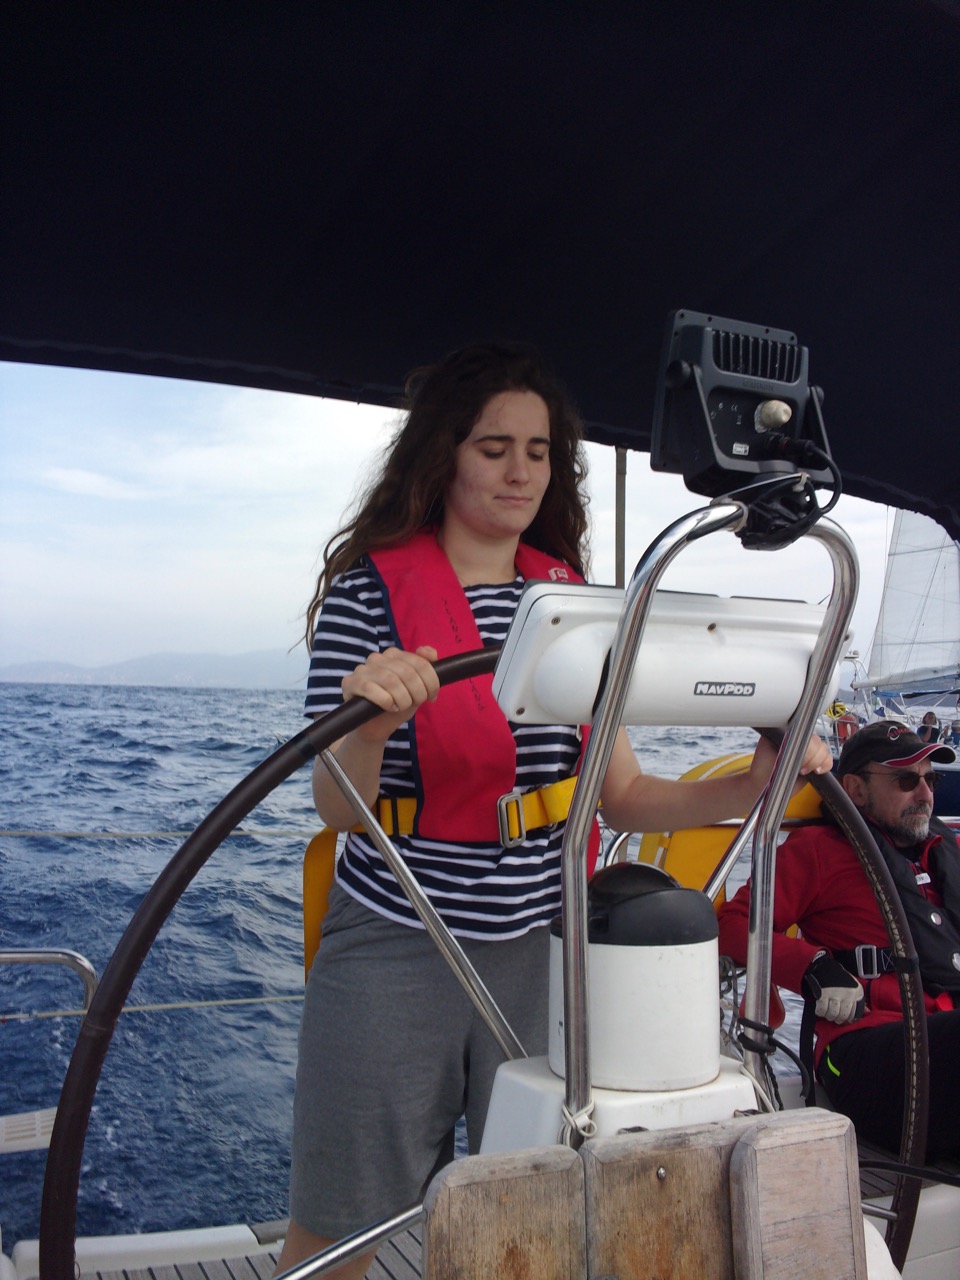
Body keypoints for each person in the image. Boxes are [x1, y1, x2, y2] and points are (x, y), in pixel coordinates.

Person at [275, 341, 831, 1278]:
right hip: (396, 946)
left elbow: (626, 795)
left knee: (530, 1222)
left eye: (538, 451)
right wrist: (371, 722)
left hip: (545, 952)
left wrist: (757, 783)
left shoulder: (571, 604)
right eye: (494, 447)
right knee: (340, 1225)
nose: (520, 471)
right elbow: (338, 807)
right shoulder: (368, 596)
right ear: (444, 455)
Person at [718, 720, 960, 1159]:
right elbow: (732, 924)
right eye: (906, 781)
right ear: (856, 789)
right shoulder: (817, 850)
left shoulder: (945, 853)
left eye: (931, 780)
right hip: (865, 1056)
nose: (925, 794)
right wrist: (812, 966)